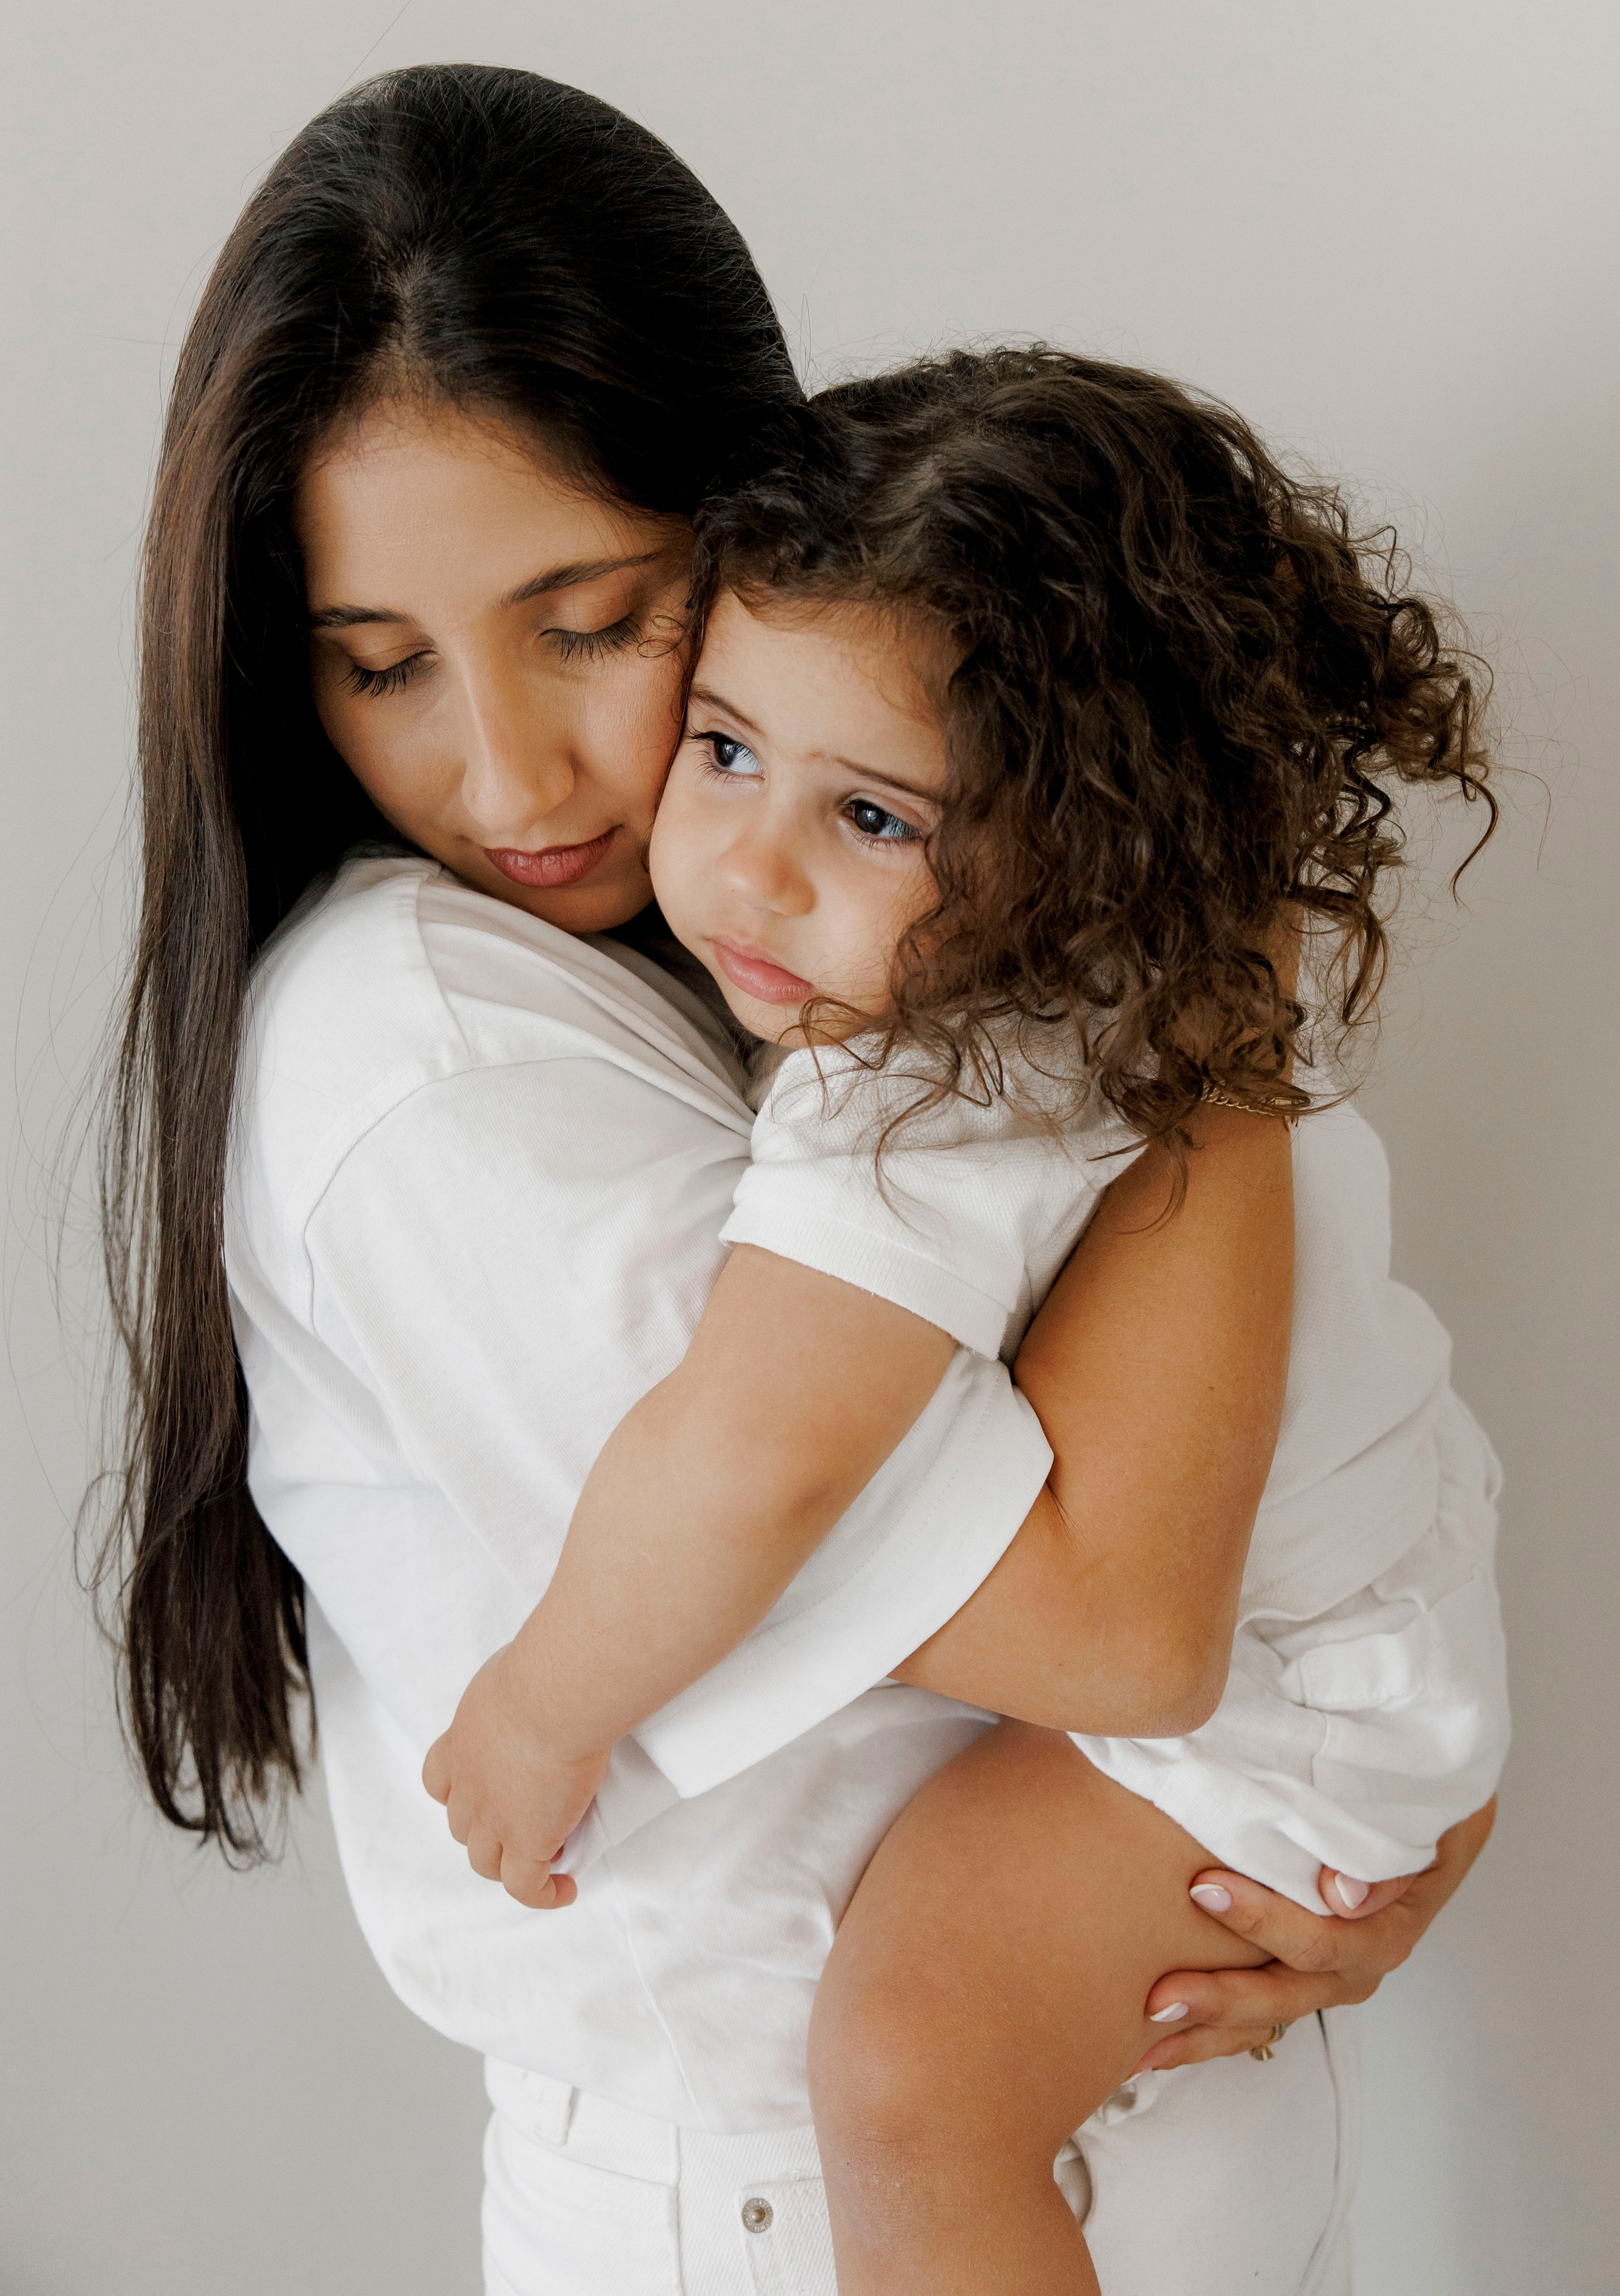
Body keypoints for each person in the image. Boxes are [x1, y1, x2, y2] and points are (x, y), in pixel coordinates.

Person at [99, 62, 1495, 2296]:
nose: (509, 773)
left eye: (595, 621)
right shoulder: (440, 1052)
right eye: (378, 668)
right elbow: (1124, 1626)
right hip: (791, 2190)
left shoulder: (883, 975)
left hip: (1133, 2077)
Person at [421, 351, 1509, 2291]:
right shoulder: (1097, 994)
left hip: (1276, 1711)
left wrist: (541, 1704)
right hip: (1364, 1642)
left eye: (876, 818)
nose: (748, 865)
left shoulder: (927, 1082)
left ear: (1077, 843)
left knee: (912, 2075)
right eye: (731, 748)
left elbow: (754, 1452)